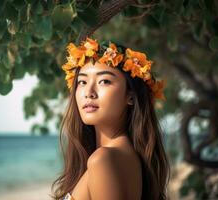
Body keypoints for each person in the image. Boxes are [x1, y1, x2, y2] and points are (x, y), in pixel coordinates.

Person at [50, 37, 170, 200]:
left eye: (104, 81)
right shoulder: (126, 158)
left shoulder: (103, 159)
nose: (89, 92)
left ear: (131, 97)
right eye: (82, 82)